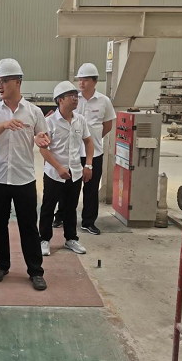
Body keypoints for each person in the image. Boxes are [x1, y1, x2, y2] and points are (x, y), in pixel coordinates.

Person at [0, 58, 51, 291]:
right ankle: (1, 265)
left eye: (4, 81)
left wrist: (41, 139)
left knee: (28, 226)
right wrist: (4, 125)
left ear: (18, 82)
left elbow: (44, 137)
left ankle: (35, 271)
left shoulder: (34, 112)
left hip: (24, 178)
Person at [54, 63, 116, 235]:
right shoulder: (73, 99)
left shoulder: (104, 101)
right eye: (79, 79)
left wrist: (92, 141)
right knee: (66, 187)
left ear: (94, 81)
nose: (81, 83)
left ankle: (88, 222)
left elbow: (108, 125)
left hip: (94, 154)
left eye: (85, 79)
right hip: (72, 153)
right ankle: (61, 216)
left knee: (91, 189)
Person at [38, 81, 94, 256]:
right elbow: (43, 149)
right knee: (48, 207)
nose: (75, 98)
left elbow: (88, 142)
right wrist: (58, 168)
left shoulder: (80, 120)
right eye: (71, 96)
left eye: (76, 96)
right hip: (54, 174)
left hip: (75, 172)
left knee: (71, 207)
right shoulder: (49, 122)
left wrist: (88, 165)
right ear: (60, 99)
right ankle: (44, 239)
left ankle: (71, 239)